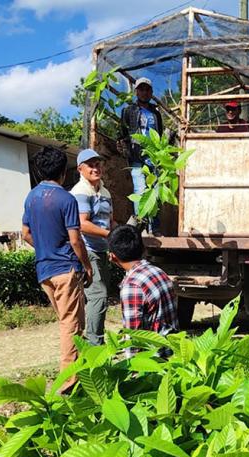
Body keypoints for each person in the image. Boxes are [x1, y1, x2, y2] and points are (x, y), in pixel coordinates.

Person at [21, 146, 93, 393]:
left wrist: (44, 249)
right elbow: (75, 240)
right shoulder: (66, 199)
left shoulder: (31, 198)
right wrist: (86, 265)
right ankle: (69, 384)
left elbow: (26, 234)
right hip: (66, 269)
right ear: (64, 172)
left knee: (66, 322)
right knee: (71, 327)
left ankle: (78, 375)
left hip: (45, 271)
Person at [70, 148, 114, 346]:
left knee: (100, 296)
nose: (96, 168)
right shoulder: (81, 192)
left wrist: (112, 243)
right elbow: (82, 224)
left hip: (101, 250)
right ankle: (94, 344)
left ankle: (96, 339)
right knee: (99, 296)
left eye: (98, 164)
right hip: (88, 251)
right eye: (91, 165)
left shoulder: (104, 192)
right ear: (81, 169)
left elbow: (109, 222)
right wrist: (109, 235)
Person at [107, 225, 178, 334]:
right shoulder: (158, 272)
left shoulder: (132, 285)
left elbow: (133, 337)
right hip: (173, 346)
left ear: (112, 256)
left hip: (154, 349)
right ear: (143, 248)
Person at [119, 77, 163, 236]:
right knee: (140, 190)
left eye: (147, 89)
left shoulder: (155, 113)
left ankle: (155, 228)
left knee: (155, 191)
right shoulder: (128, 110)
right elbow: (123, 132)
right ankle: (142, 227)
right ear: (136, 91)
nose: (144, 92)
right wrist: (126, 147)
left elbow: (161, 134)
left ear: (151, 93)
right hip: (136, 157)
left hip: (153, 157)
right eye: (141, 89)